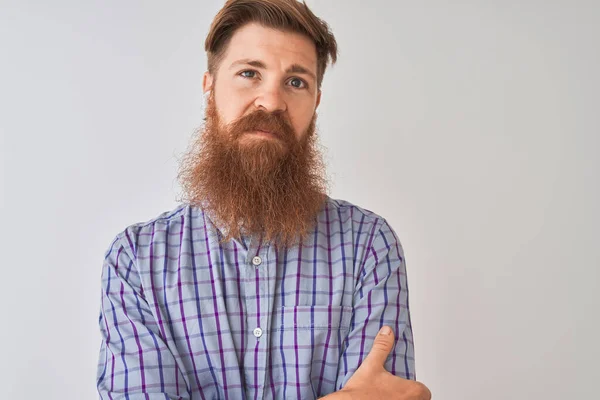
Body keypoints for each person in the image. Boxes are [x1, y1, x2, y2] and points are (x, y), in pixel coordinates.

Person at [96, 1, 431, 399]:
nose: (271, 101)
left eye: (295, 82)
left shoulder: (369, 247)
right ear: (209, 86)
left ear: (316, 103)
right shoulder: (137, 260)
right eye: (249, 73)